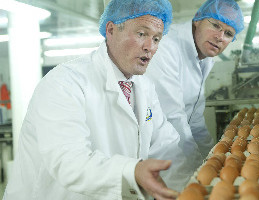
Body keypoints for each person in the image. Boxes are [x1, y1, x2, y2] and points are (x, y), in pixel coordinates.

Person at [3, 0, 196, 199]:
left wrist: (197, 182)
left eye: (156, 38)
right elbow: (69, 162)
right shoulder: (64, 82)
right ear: (111, 30)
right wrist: (132, 171)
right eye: (141, 34)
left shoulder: (144, 87)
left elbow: (167, 147)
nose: (150, 46)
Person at [146, 0, 244, 161]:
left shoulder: (203, 59)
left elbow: (195, 119)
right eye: (215, 25)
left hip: (173, 149)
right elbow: (172, 117)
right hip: (153, 154)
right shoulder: (167, 46)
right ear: (198, 18)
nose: (220, 37)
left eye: (228, 34)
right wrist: (197, 164)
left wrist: (212, 158)